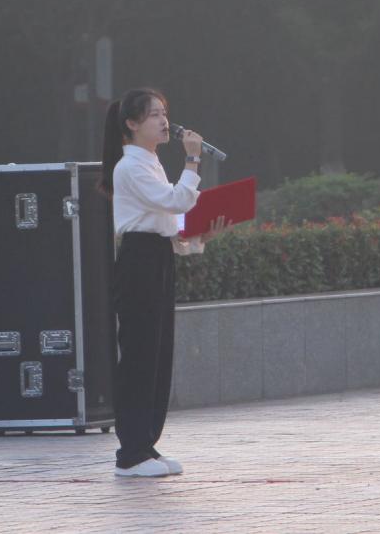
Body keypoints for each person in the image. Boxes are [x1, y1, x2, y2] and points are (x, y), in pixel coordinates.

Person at [99, 87, 223, 478]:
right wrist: (192, 159)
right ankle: (130, 454)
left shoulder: (150, 162)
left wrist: (198, 236)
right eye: (154, 115)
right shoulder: (129, 166)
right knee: (139, 355)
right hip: (138, 261)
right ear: (132, 124)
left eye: (164, 113)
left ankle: (146, 444)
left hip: (156, 257)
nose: (164, 121)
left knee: (157, 352)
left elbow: (168, 221)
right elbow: (175, 201)